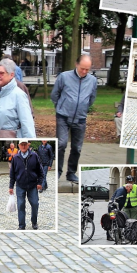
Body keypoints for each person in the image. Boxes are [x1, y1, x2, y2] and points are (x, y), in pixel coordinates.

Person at [51, 55, 97, 183]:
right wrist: (60, 106)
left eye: (87, 69)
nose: (84, 72)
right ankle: (58, 172)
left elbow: (92, 98)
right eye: (82, 68)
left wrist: (84, 108)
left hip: (80, 118)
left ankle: (71, 173)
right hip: (63, 116)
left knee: (77, 148)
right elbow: (55, 94)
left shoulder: (92, 80)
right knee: (61, 144)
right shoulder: (64, 77)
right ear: (76, 64)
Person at [0, 59, 36, 138]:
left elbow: (27, 123)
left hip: (12, 140)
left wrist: (30, 141)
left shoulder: (19, 95)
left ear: (11, 75)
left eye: (1, 73)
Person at [9, 140, 44, 230]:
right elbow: (12, 174)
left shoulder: (34, 156)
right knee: (20, 205)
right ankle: (21, 225)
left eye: (25, 144)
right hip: (20, 185)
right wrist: (11, 186)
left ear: (28, 145)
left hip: (32, 185)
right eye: (22, 144)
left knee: (35, 204)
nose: (23, 146)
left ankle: (34, 222)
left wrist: (40, 182)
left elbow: (40, 171)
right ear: (19, 146)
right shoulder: (16, 158)